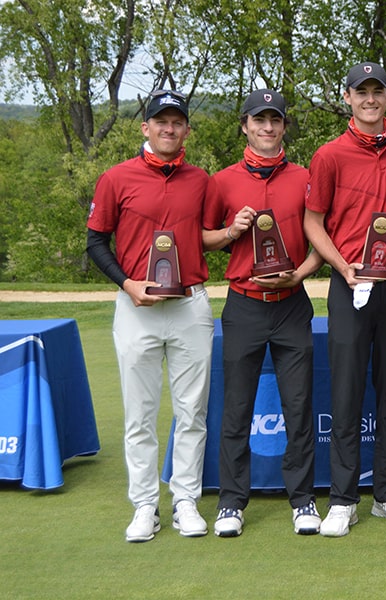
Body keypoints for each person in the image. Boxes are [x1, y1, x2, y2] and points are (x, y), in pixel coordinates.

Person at [304, 62, 386, 537]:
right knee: (348, 389)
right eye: (362, 92)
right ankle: (343, 498)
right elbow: (314, 222)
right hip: (349, 282)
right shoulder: (329, 155)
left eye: (378, 91)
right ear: (348, 97)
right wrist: (342, 266)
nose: (370, 99)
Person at [86, 90, 213, 542]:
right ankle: (144, 506)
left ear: (186, 132)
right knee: (139, 415)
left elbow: (211, 235)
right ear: (145, 127)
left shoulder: (201, 180)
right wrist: (127, 283)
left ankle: (185, 501)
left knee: (192, 412)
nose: (168, 128)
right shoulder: (115, 178)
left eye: (177, 122)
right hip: (136, 307)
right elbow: (96, 243)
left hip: (191, 305)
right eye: (160, 121)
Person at [202, 89, 324, 538]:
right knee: (236, 408)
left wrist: (302, 275)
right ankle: (232, 503)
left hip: (292, 305)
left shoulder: (306, 177)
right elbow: (201, 238)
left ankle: (303, 499)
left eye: (275, 120)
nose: (268, 128)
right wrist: (230, 231)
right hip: (244, 305)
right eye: (259, 120)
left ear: (284, 127)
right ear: (245, 126)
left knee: (299, 406)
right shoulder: (222, 181)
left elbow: (321, 240)